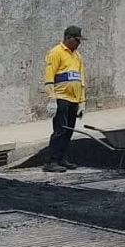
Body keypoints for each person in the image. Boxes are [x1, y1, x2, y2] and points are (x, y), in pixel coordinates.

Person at [42, 25, 86, 173]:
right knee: (60, 130)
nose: (78, 43)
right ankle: (50, 161)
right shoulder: (56, 53)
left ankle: (61, 158)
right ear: (68, 38)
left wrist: (82, 102)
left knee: (69, 131)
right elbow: (49, 77)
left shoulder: (77, 56)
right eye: (76, 40)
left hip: (74, 99)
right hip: (61, 98)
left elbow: (81, 80)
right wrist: (52, 98)